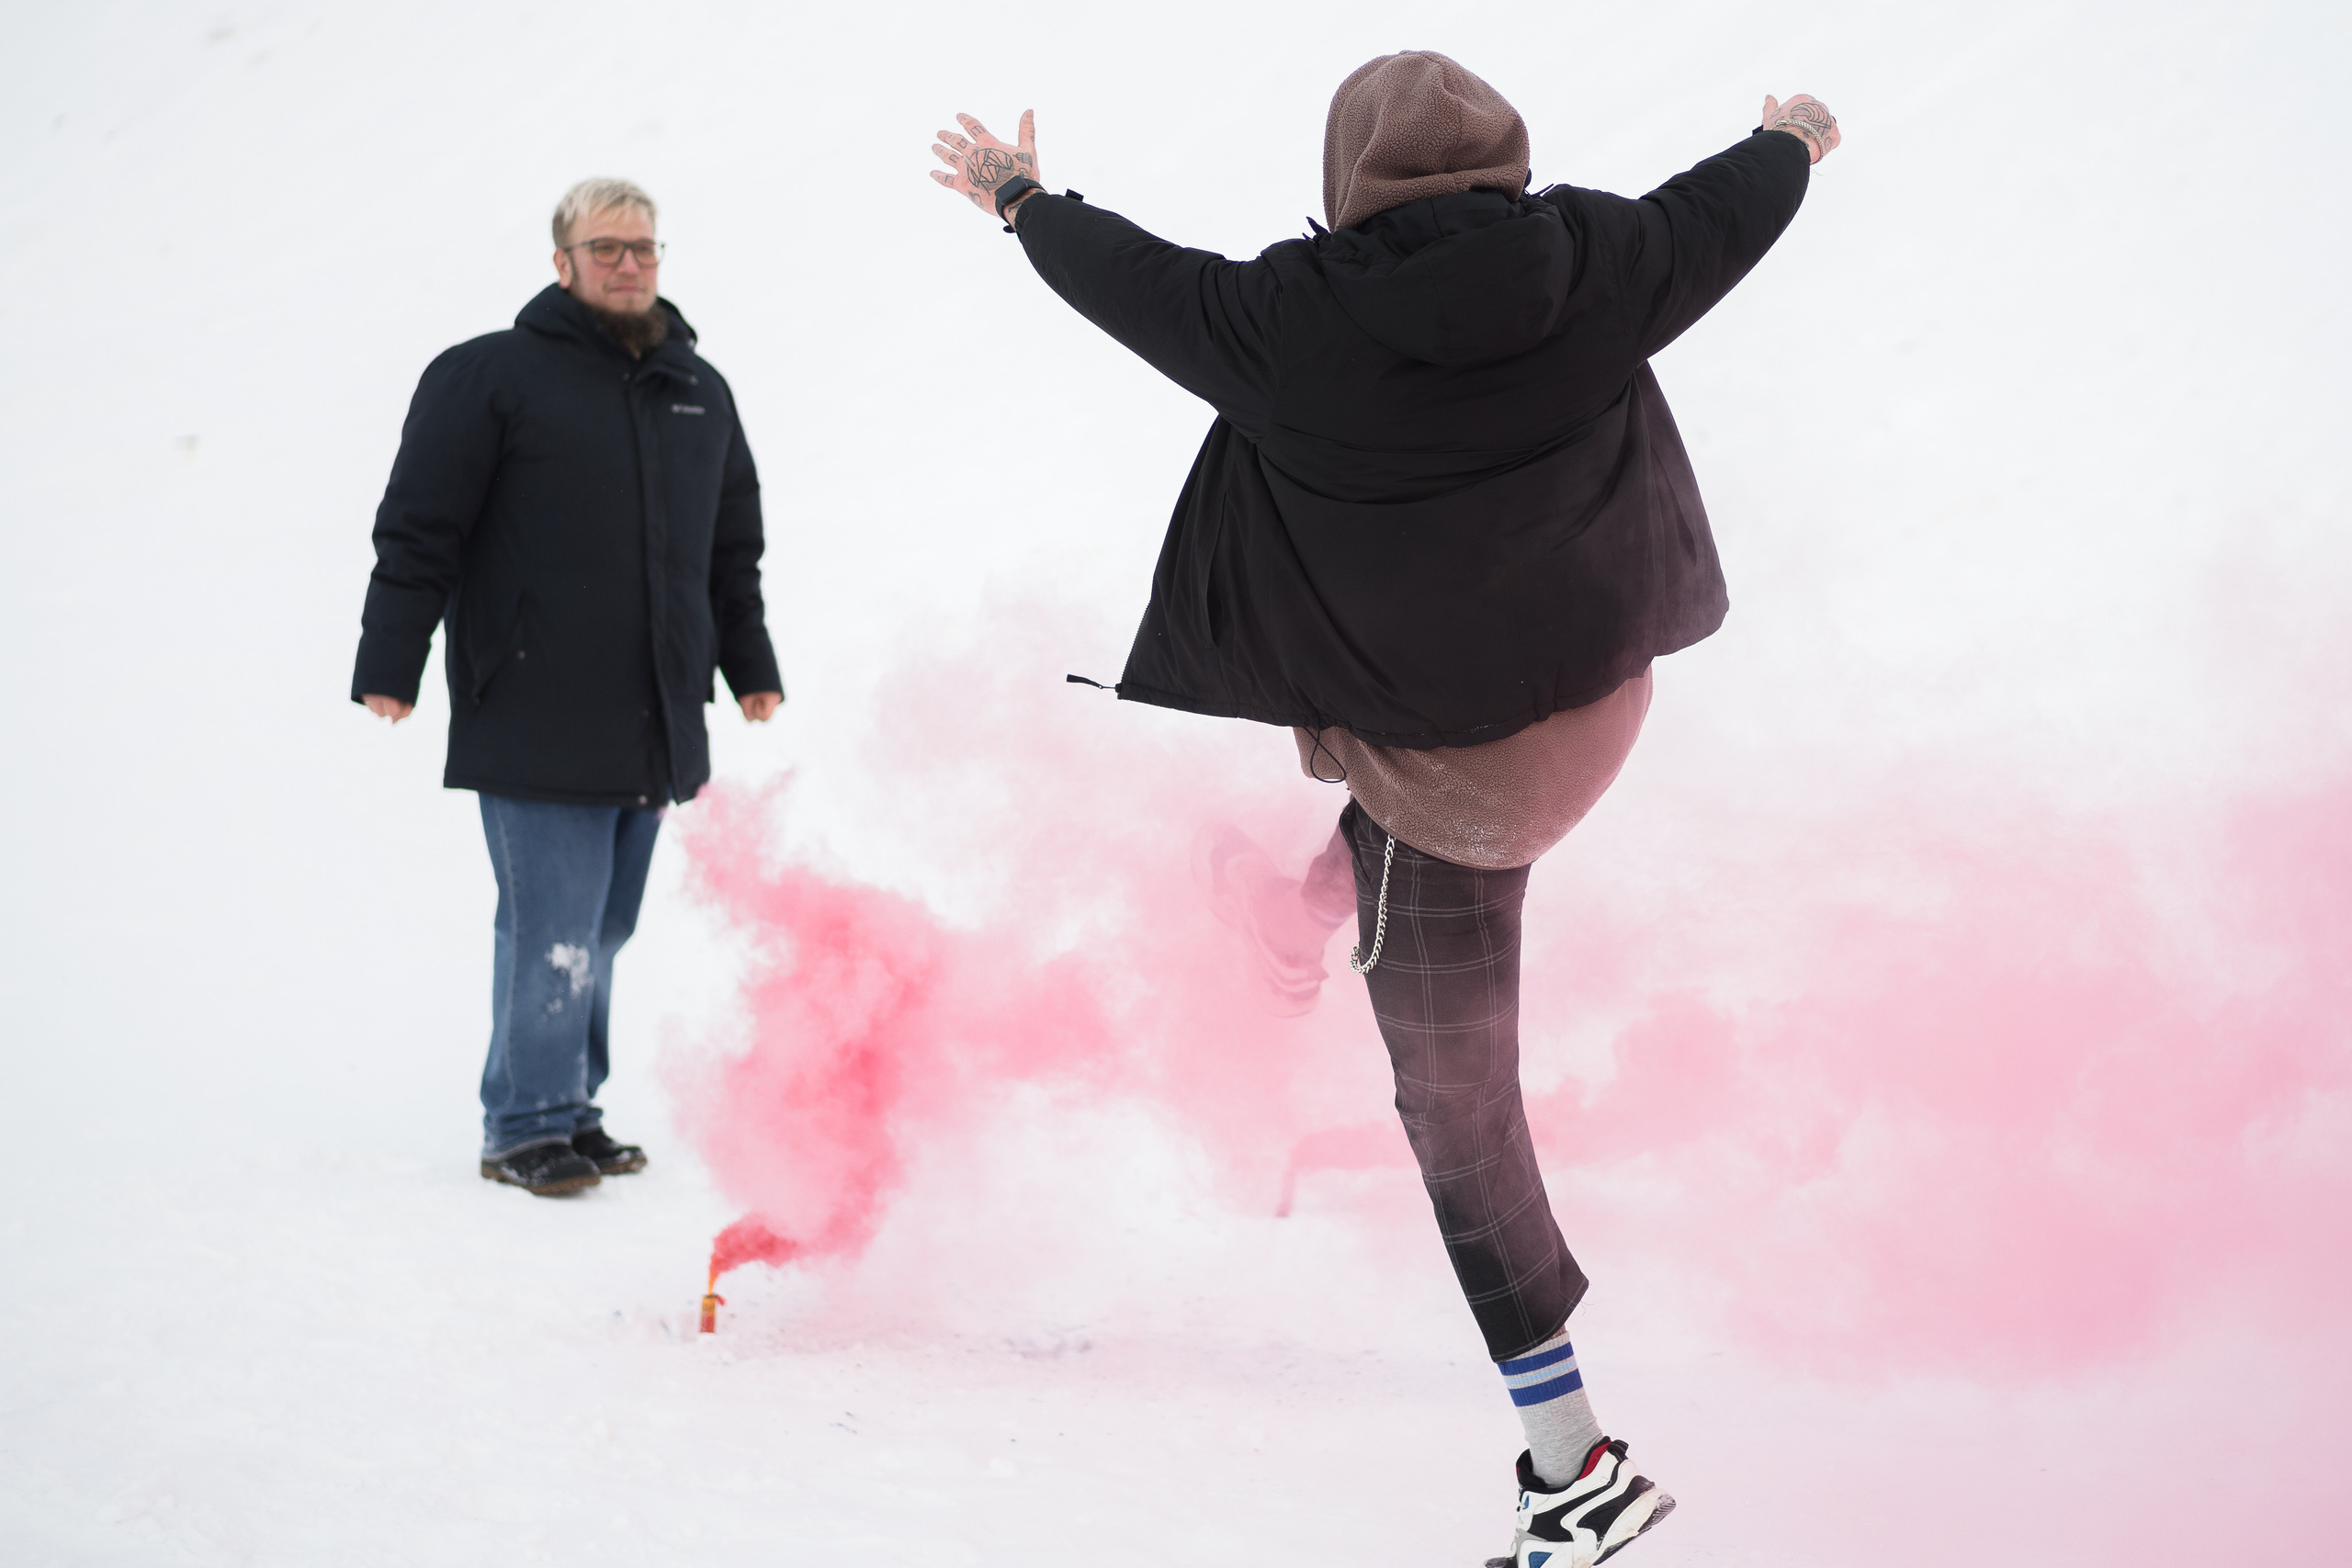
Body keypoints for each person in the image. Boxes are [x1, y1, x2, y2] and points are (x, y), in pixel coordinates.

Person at [930, 52, 1837, 1566]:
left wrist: (1017, 193)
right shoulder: (1601, 263)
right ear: (1505, 165)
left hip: (1451, 780)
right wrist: (1793, 137)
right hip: (1597, 708)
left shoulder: (1288, 323)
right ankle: (1296, 922)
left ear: (1353, 178)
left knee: (1456, 1105)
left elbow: (1129, 280)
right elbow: (1728, 209)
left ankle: (1577, 1466)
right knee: (1385, 817)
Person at [352, 178, 785, 1199]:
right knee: (549, 924)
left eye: (643, 248)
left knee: (601, 929)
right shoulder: (488, 377)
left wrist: (749, 665)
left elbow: (732, 550)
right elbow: (420, 526)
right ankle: (524, 1122)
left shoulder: (697, 388)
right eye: (605, 248)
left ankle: (569, 1110)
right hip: (535, 697)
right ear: (562, 262)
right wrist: (390, 661)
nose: (628, 264)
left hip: (656, 709)